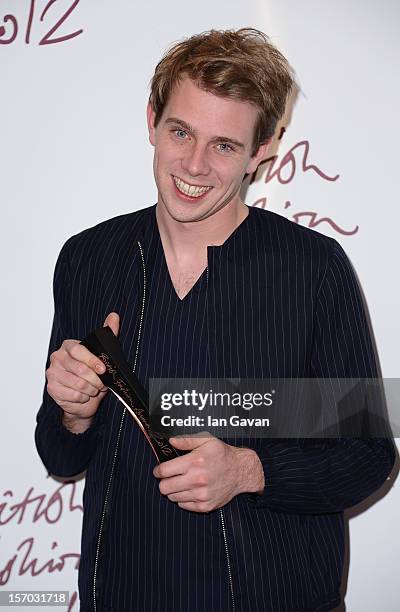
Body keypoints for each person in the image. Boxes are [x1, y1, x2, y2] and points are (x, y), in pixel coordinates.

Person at [35, 28, 395, 612]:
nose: (194, 165)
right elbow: (59, 455)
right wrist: (74, 415)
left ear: (263, 149)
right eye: (180, 131)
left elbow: (368, 456)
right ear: (152, 119)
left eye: (225, 145)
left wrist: (250, 470)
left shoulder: (314, 269)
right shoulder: (88, 259)